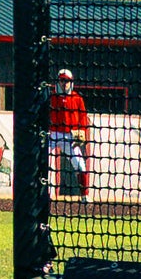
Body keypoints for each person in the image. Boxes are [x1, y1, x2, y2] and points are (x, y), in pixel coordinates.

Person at [39, 67, 92, 200]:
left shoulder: (77, 98)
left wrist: (82, 132)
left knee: (80, 165)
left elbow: (83, 118)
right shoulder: (51, 97)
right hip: (53, 134)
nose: (64, 83)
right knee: (40, 161)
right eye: (62, 80)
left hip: (70, 137)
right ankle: (41, 194)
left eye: (67, 81)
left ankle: (84, 196)